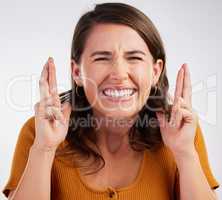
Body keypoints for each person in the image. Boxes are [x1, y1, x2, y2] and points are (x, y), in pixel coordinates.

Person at [2, 2, 219, 200]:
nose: (119, 73)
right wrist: (44, 149)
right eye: (102, 58)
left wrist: (185, 153)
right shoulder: (38, 133)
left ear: (156, 71)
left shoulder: (181, 132)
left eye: (134, 58)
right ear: (76, 71)